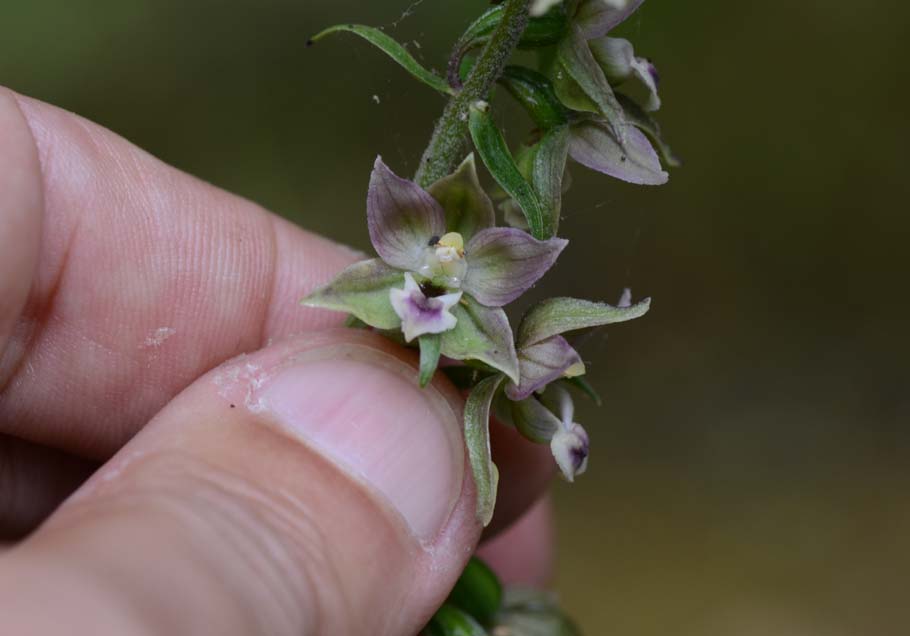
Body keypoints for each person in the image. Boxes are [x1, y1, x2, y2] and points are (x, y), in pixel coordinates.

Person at [0, 87, 554, 635]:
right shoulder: (377, 285)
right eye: (438, 258)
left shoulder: (483, 330)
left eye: (451, 263)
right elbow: (342, 294)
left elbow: (497, 350)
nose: (442, 268)